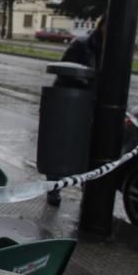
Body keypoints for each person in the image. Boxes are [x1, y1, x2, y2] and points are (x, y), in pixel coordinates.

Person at [47, 17, 105, 206]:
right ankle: (54, 189)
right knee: (61, 147)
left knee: (90, 149)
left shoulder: (115, 47)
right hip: (73, 102)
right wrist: (85, 81)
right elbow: (65, 72)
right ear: (101, 25)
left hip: (96, 104)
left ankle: (88, 189)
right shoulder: (82, 44)